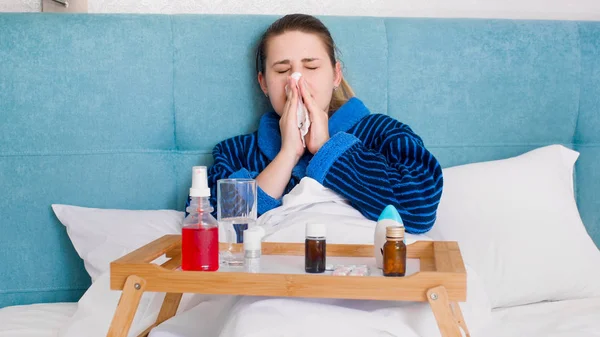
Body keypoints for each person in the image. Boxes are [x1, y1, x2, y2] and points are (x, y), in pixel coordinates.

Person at [200, 13, 443, 234]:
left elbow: (420, 209)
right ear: (264, 84)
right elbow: (213, 228)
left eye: (311, 67)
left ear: (336, 75)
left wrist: (326, 148)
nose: (296, 80)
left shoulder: (385, 134)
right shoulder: (235, 153)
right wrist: (287, 155)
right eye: (283, 70)